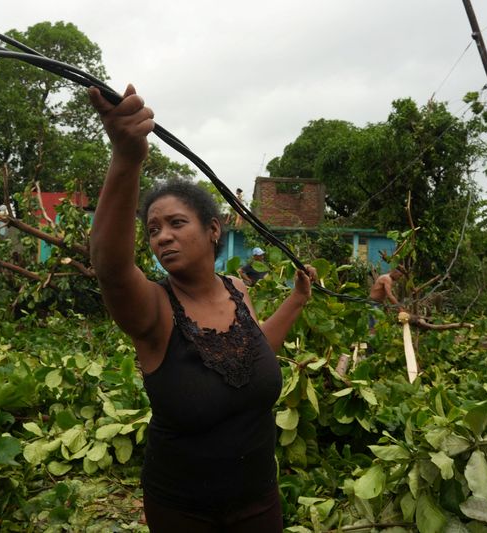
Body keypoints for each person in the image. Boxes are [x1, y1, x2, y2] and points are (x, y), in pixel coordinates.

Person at [88, 84, 317, 532]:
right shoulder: (152, 309)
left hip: (259, 498)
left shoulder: (236, 289)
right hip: (183, 510)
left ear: (214, 230)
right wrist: (127, 157)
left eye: (176, 223)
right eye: (154, 230)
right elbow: (111, 268)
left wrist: (296, 300)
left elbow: (255, 351)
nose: (163, 237)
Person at [368, 268, 403, 333]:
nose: (399, 278)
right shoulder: (387, 278)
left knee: (373, 325)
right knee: (376, 325)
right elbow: (390, 295)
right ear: (394, 272)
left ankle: (371, 340)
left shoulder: (388, 279)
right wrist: (400, 308)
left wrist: (385, 305)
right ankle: (372, 340)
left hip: (376, 303)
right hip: (373, 303)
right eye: (399, 275)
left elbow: (382, 293)